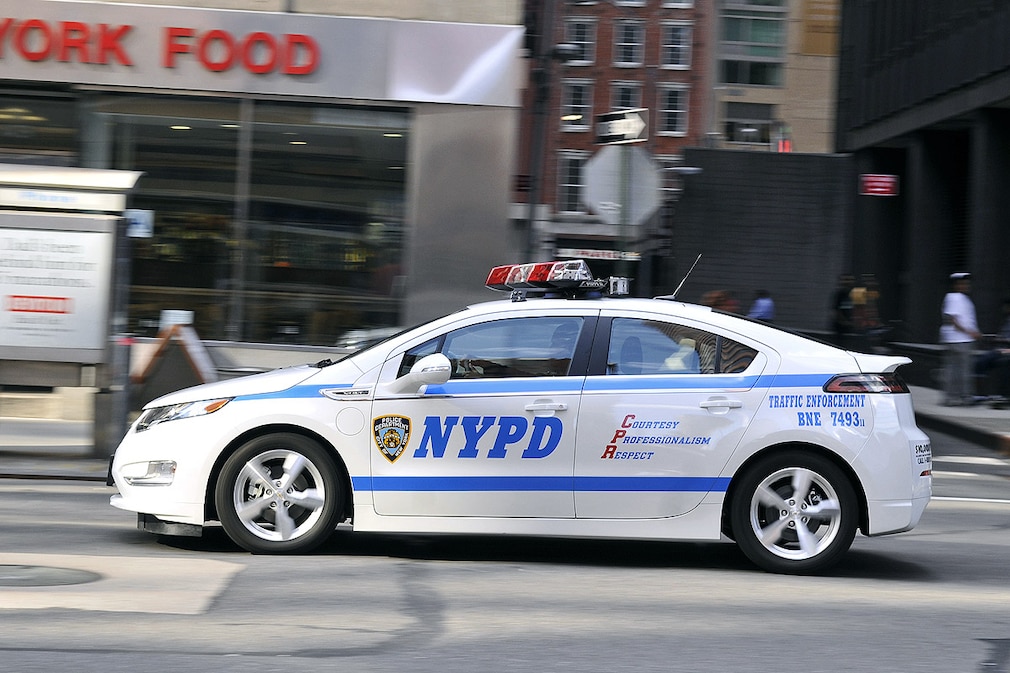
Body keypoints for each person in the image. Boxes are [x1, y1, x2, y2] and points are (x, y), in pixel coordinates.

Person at [939, 272, 982, 406]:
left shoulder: (959, 298)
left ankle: (952, 397)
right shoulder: (955, 297)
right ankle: (964, 397)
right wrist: (971, 332)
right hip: (960, 340)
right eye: (963, 283)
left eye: (967, 283)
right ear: (957, 284)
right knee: (963, 370)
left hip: (957, 340)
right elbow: (953, 320)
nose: (966, 285)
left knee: (954, 370)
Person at [975, 297, 1010, 409]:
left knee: (1004, 363)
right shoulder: (1007, 320)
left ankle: (1004, 395)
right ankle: (981, 395)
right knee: (981, 361)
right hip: (999, 349)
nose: (1005, 309)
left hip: (1007, 351)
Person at [831, 274, 855, 347]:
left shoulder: (854, 294)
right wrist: (844, 322)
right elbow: (836, 310)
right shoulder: (839, 294)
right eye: (846, 280)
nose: (848, 282)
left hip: (851, 327)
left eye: (850, 280)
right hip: (840, 328)